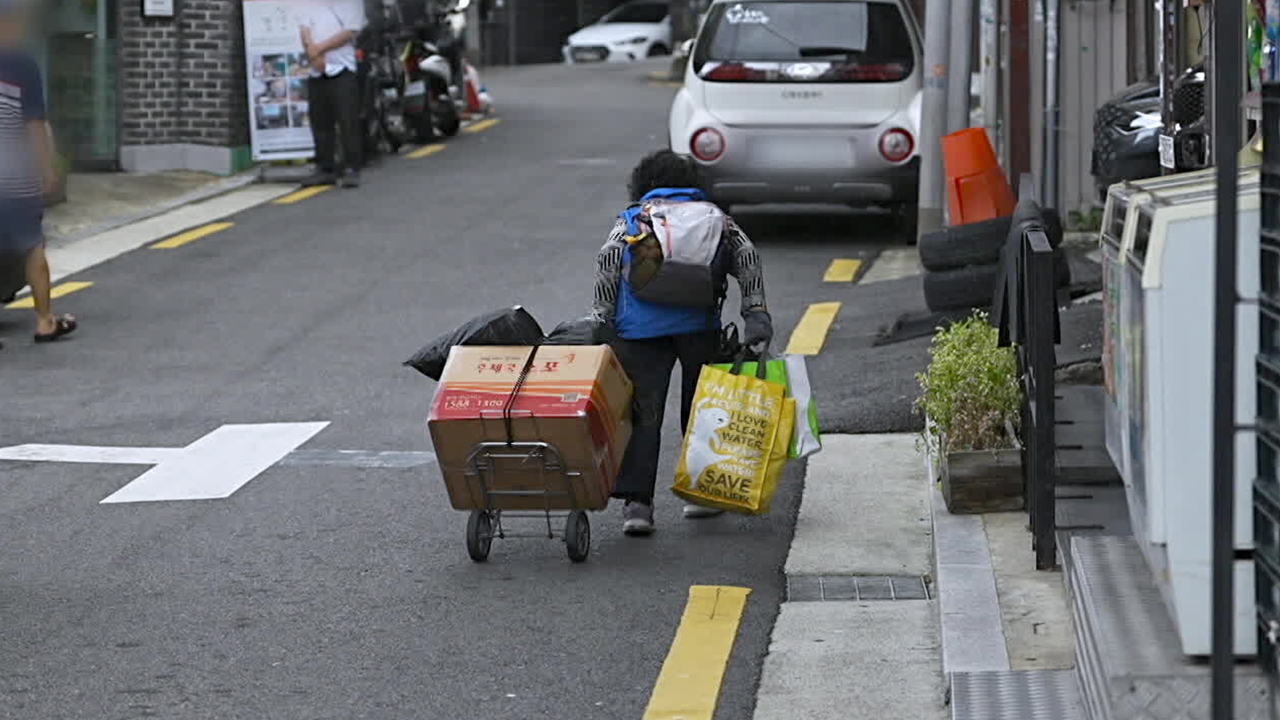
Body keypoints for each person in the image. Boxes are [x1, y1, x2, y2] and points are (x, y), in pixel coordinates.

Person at [590, 150, 772, 535]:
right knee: (703, 408)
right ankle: (700, 497)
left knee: (642, 413)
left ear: (642, 183)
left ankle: (638, 505)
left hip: (638, 332)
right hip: (698, 326)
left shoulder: (638, 217)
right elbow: (747, 256)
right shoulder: (715, 218)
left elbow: (609, 259)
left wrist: (600, 320)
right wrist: (755, 311)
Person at [0, 0, 76, 345]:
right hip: (14, 174)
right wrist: (47, 169)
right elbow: (34, 125)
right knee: (32, 247)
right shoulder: (21, 64)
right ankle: (45, 320)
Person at [300, 0, 367, 189]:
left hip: (342, 68)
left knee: (347, 120)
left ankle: (352, 168)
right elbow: (304, 29)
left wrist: (318, 49)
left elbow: (349, 32)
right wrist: (312, 53)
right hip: (316, 69)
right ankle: (325, 168)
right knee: (320, 121)